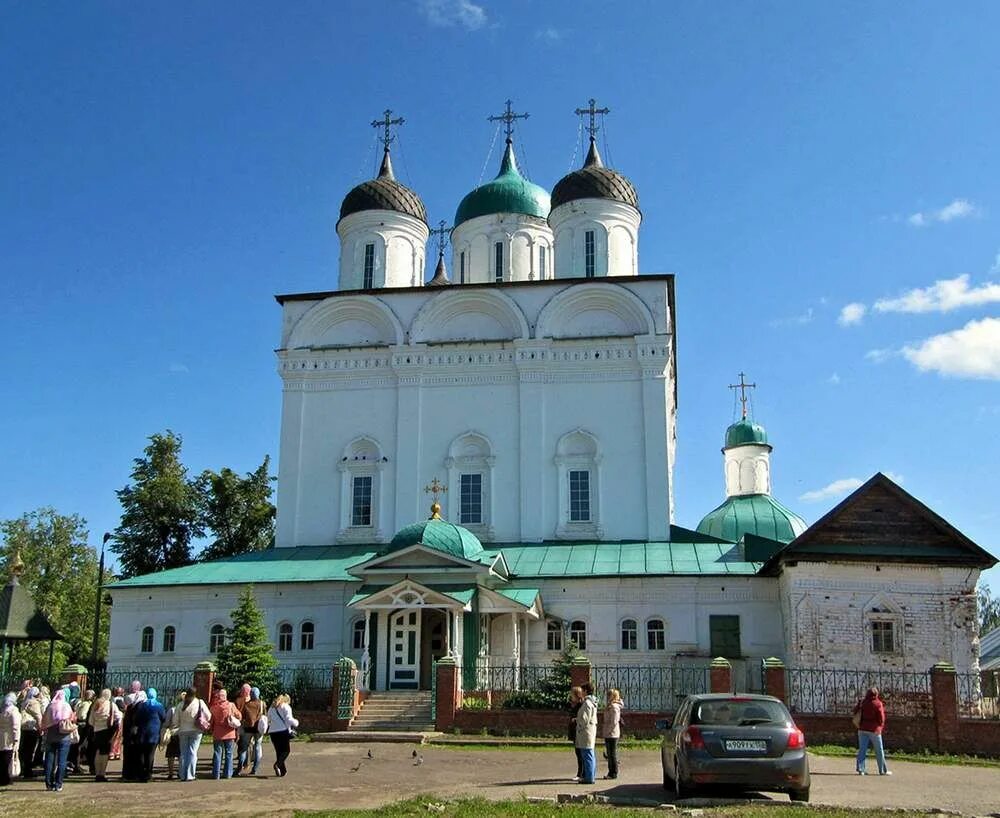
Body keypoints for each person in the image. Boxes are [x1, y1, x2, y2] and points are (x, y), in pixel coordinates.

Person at [39, 688, 75, 792]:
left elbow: (44, 720)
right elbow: (72, 718)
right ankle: (59, 784)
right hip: (64, 736)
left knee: (49, 760)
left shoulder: (50, 706)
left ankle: (49, 784)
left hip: (51, 735)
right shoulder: (66, 706)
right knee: (62, 761)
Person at [172, 687, 210, 782]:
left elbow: (175, 721)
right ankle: (190, 775)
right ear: (195, 694)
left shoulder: (181, 705)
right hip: (196, 731)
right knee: (192, 752)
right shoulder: (199, 703)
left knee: (183, 753)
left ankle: (182, 774)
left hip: (183, 731)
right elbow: (208, 716)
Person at [853, 687, 890, 776]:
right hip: (874, 730)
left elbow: (855, 711)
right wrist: (880, 727)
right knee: (879, 750)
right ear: (876, 694)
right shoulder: (878, 704)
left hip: (862, 729)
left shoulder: (863, 702)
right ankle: (882, 770)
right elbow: (881, 718)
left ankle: (861, 769)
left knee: (862, 749)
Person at [133, 687, 167, 782]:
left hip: (142, 732)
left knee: (142, 754)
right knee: (150, 754)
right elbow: (163, 718)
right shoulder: (159, 706)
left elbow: (136, 719)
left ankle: (140, 774)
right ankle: (148, 774)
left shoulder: (142, 706)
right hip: (154, 733)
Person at [88, 689, 121, 782]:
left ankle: (97, 773)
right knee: (105, 753)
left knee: (97, 752)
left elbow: (90, 721)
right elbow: (119, 717)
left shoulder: (95, 704)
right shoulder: (111, 705)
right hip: (107, 731)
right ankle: (102, 773)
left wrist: (96, 725)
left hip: (97, 731)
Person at [266, 693, 298, 777]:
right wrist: (296, 723)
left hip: (272, 732)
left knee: (279, 752)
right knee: (286, 751)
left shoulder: (272, 707)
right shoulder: (286, 706)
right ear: (287, 700)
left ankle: (283, 771)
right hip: (282, 731)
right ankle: (277, 765)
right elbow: (289, 719)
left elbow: (268, 719)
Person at [209, 688, 239, 779]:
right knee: (229, 753)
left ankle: (216, 774)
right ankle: (227, 774)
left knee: (218, 753)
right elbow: (239, 715)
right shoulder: (231, 705)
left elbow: (211, 721)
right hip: (230, 733)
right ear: (225, 696)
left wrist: (211, 730)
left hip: (217, 733)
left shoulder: (214, 707)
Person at [120, 687, 146, 781]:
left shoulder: (129, 709)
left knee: (128, 756)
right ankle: (135, 774)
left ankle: (127, 775)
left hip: (128, 736)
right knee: (136, 755)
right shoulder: (139, 707)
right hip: (135, 735)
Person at [238, 687, 266, 775]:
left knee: (244, 749)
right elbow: (265, 715)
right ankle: (255, 768)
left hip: (248, 729)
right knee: (257, 747)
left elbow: (242, 717)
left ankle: (239, 767)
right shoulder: (262, 704)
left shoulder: (246, 705)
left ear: (250, 694)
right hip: (258, 729)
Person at [575, 682, 598, 785]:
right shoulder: (591, 702)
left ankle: (589, 777)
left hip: (586, 733)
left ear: (585, 691)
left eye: (582, 690)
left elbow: (584, 719)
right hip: (589, 731)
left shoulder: (587, 703)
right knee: (589, 755)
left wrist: (578, 725)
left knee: (587, 755)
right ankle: (590, 776)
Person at [18, 686, 42, 779]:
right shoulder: (34, 703)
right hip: (31, 728)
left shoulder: (24, 702)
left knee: (23, 750)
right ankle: (28, 771)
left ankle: (22, 769)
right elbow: (38, 716)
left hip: (23, 728)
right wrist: (40, 728)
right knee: (30, 750)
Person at [70, 689, 94, 774]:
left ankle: (76, 765)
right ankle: (76, 765)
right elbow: (83, 715)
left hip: (79, 725)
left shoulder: (80, 703)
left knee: (77, 746)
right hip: (83, 726)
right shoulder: (86, 704)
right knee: (80, 746)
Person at [0, 693, 21, 786]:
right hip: (9, 737)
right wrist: (16, 739)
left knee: (2, 757)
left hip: (1, 736)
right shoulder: (13, 711)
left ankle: (2, 777)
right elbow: (15, 726)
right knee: (9, 758)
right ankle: (7, 777)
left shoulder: (2, 710)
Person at [602, 688, 623, 780]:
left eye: (609, 695)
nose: (607, 697)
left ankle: (613, 772)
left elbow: (614, 721)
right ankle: (611, 771)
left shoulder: (614, 707)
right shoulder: (610, 706)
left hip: (612, 733)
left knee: (612, 754)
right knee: (609, 753)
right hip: (609, 732)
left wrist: (609, 730)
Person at [162, 691, 183, 780]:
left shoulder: (173, 709)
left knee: (171, 754)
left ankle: (171, 773)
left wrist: (164, 728)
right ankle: (180, 771)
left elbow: (166, 722)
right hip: (182, 733)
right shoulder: (186, 709)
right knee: (181, 754)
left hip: (173, 733)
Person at [568, 686, 584, 781]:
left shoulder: (580, 705)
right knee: (578, 752)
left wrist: (575, 720)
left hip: (578, 730)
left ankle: (581, 773)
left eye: (572, 695)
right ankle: (580, 773)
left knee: (580, 753)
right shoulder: (574, 704)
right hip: (574, 730)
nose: (571, 697)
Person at [110, 688, 125, 761]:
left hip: (114, 719)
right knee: (117, 737)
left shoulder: (112, 699)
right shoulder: (119, 699)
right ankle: (115, 752)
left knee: (114, 736)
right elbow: (123, 708)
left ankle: (113, 752)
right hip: (119, 719)